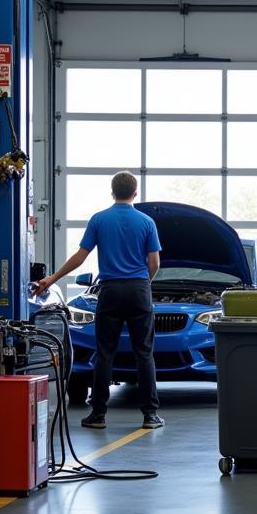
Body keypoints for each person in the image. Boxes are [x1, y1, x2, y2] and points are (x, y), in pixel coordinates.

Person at [33, 171, 164, 430]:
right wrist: (142, 283)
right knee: (144, 354)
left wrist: (52, 278)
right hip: (138, 290)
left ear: (112, 192)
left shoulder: (99, 220)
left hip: (110, 291)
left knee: (105, 353)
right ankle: (150, 415)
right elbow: (155, 263)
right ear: (135, 192)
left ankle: (98, 415)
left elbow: (81, 256)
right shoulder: (147, 222)